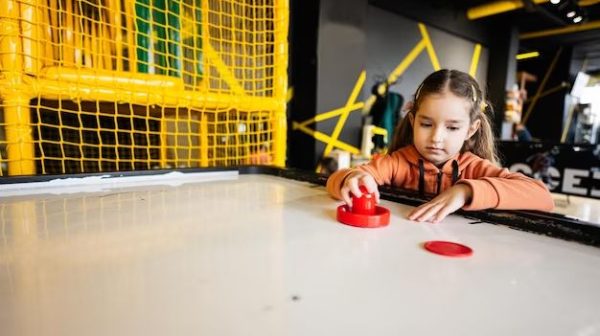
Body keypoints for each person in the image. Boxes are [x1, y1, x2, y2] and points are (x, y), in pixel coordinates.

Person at [326, 69, 554, 223]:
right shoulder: (396, 163)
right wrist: (352, 179)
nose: (436, 137)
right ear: (413, 121)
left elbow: (543, 198)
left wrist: (466, 191)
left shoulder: (475, 168)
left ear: (471, 129)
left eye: (452, 128)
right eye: (426, 124)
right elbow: (336, 181)